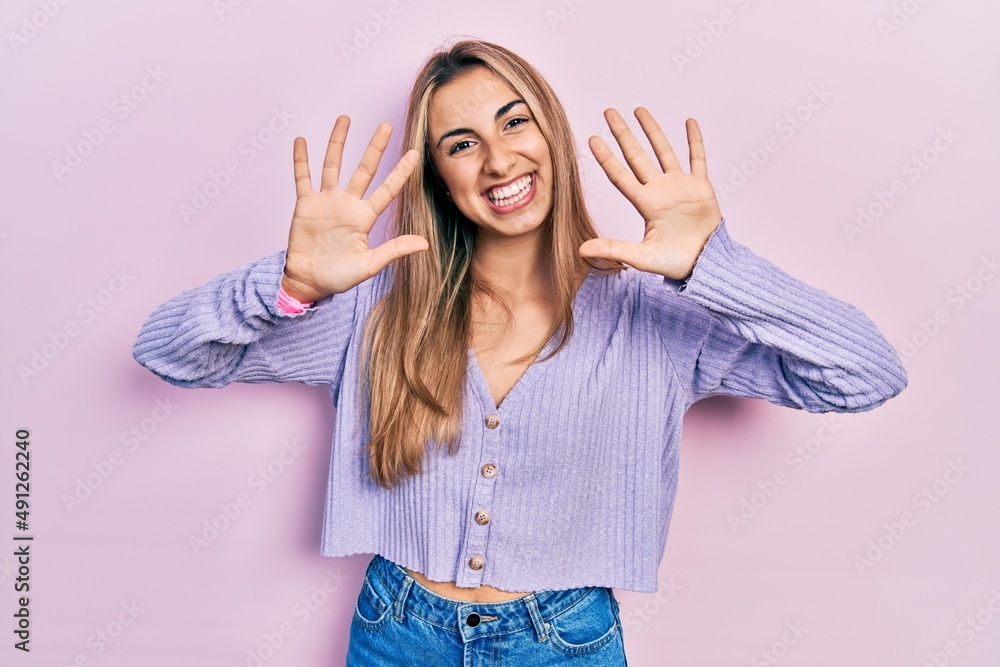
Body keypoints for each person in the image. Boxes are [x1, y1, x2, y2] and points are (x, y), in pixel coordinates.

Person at [132, 39, 908, 665]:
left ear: (552, 137)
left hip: (565, 640)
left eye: (515, 122)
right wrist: (289, 280)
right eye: (461, 143)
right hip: (396, 630)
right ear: (439, 178)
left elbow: (864, 372)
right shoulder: (376, 307)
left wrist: (713, 264)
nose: (498, 161)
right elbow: (168, 351)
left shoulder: (652, 315)